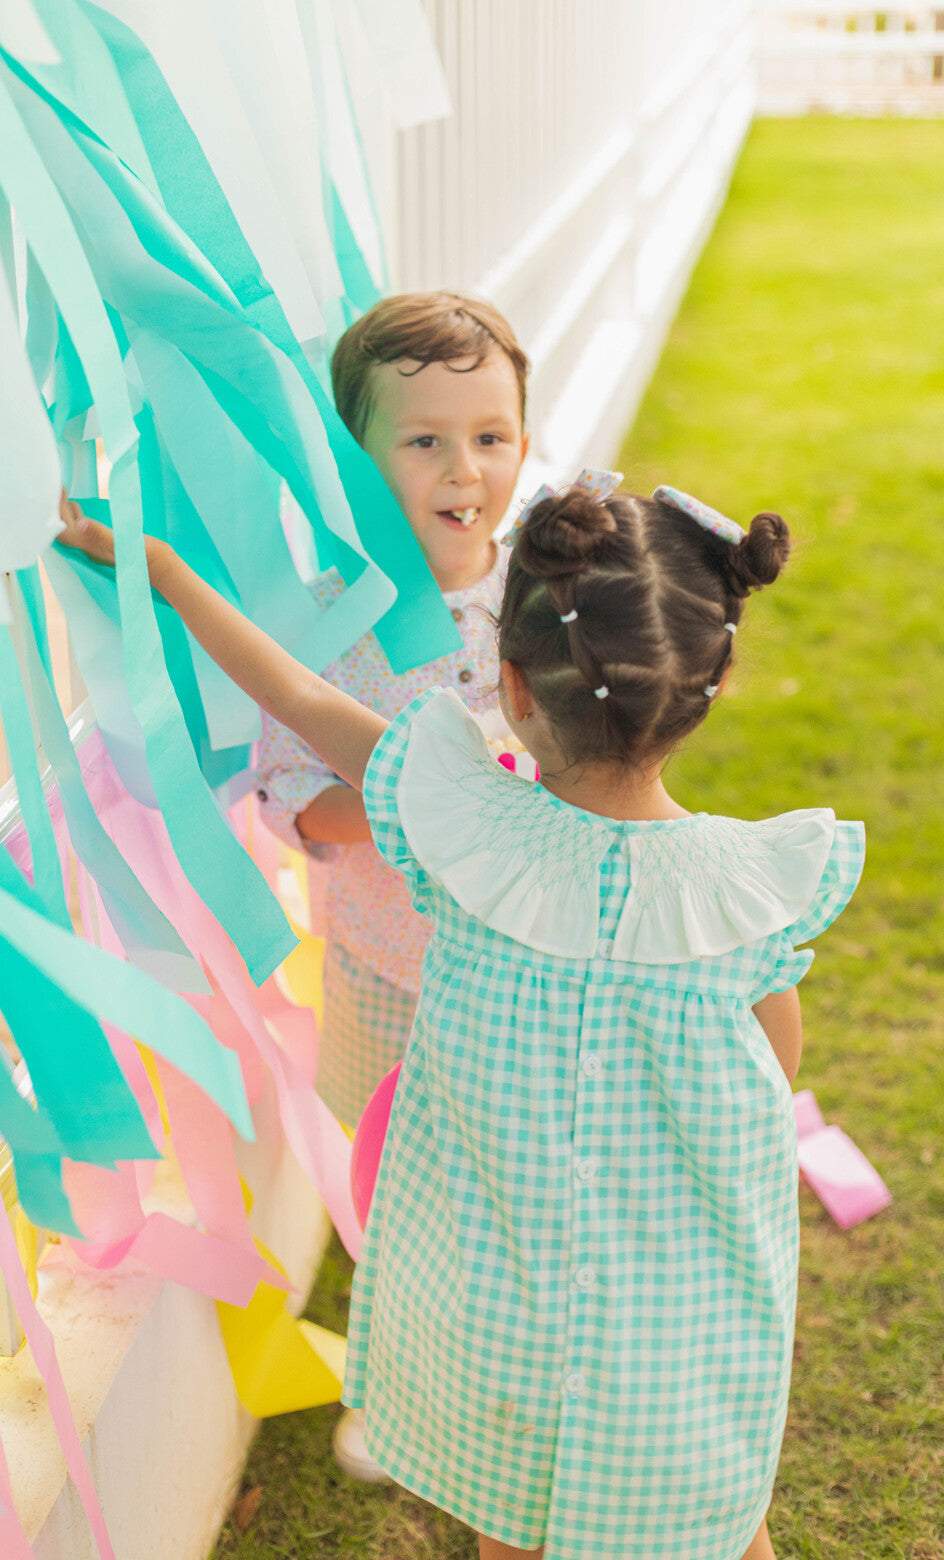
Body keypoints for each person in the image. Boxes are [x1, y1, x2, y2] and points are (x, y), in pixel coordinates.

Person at [58, 474, 864, 1560]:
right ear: (709, 679)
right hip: (677, 1321)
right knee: (717, 1524)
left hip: (496, 1321)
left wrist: (166, 577)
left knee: (513, 1536)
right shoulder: (745, 887)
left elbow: (296, 697)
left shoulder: (460, 824)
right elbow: (774, 1056)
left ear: (512, 688)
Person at [253, 292, 529, 1132]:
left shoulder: (549, 595)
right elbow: (286, 795)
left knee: (522, 1161)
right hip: (388, 969)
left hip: (534, 963)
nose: (464, 470)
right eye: (424, 442)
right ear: (354, 462)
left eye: (490, 437)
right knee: (383, 1160)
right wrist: (406, 804)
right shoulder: (328, 625)